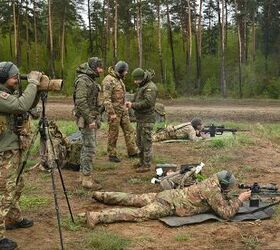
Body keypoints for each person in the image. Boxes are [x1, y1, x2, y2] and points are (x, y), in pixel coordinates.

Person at [86, 171, 251, 228]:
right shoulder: (214, 192)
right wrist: (241, 199)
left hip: (168, 195)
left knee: (132, 198)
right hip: (169, 204)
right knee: (137, 214)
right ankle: (97, 216)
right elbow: (226, 214)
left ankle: (101, 195)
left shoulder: (211, 181)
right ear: (223, 184)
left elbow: (218, 196)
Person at [0, 61, 42, 250]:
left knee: (17, 184)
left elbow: (26, 104)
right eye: (14, 77)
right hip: (4, 151)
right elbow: (20, 105)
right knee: (4, 192)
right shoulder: (1, 96)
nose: (17, 80)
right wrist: (33, 83)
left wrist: (37, 89)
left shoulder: (9, 93)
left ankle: (13, 218)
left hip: (12, 147)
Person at [73, 57, 103, 189]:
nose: (101, 70)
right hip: (86, 120)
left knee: (86, 147)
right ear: (93, 67)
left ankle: (83, 177)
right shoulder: (83, 81)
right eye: (99, 67)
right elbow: (80, 101)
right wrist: (90, 120)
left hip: (90, 118)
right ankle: (87, 179)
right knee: (90, 148)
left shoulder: (90, 80)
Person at [102, 61, 138, 163]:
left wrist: (125, 104)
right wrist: (111, 113)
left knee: (129, 130)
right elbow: (106, 99)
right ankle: (112, 154)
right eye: (126, 71)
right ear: (121, 70)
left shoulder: (119, 80)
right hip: (114, 113)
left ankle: (132, 151)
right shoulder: (108, 80)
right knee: (113, 133)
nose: (126, 73)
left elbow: (121, 95)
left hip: (123, 111)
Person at [126, 68, 158, 173]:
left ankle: (147, 165)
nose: (135, 82)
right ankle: (141, 162)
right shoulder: (142, 86)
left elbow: (148, 103)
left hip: (147, 119)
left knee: (146, 142)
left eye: (136, 80)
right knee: (139, 142)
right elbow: (137, 99)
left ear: (141, 78)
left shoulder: (150, 87)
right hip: (140, 119)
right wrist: (130, 102)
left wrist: (133, 105)